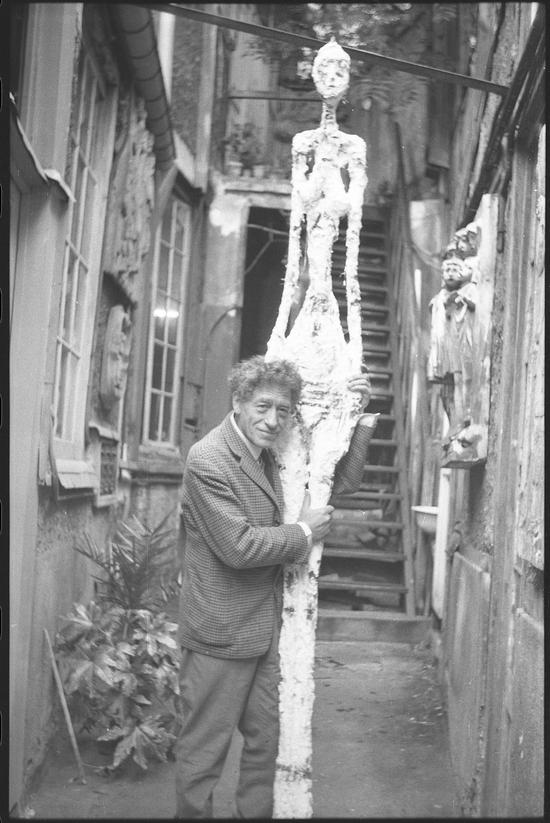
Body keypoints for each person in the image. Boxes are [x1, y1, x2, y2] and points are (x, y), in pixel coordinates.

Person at [175, 355, 370, 818]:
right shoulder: (208, 459)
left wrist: (357, 419)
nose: (273, 420)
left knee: (265, 750)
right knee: (203, 756)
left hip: (264, 635)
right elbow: (238, 547)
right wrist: (303, 532)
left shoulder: (271, 453)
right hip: (218, 637)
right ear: (239, 403)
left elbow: (341, 484)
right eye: (263, 407)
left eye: (283, 411)